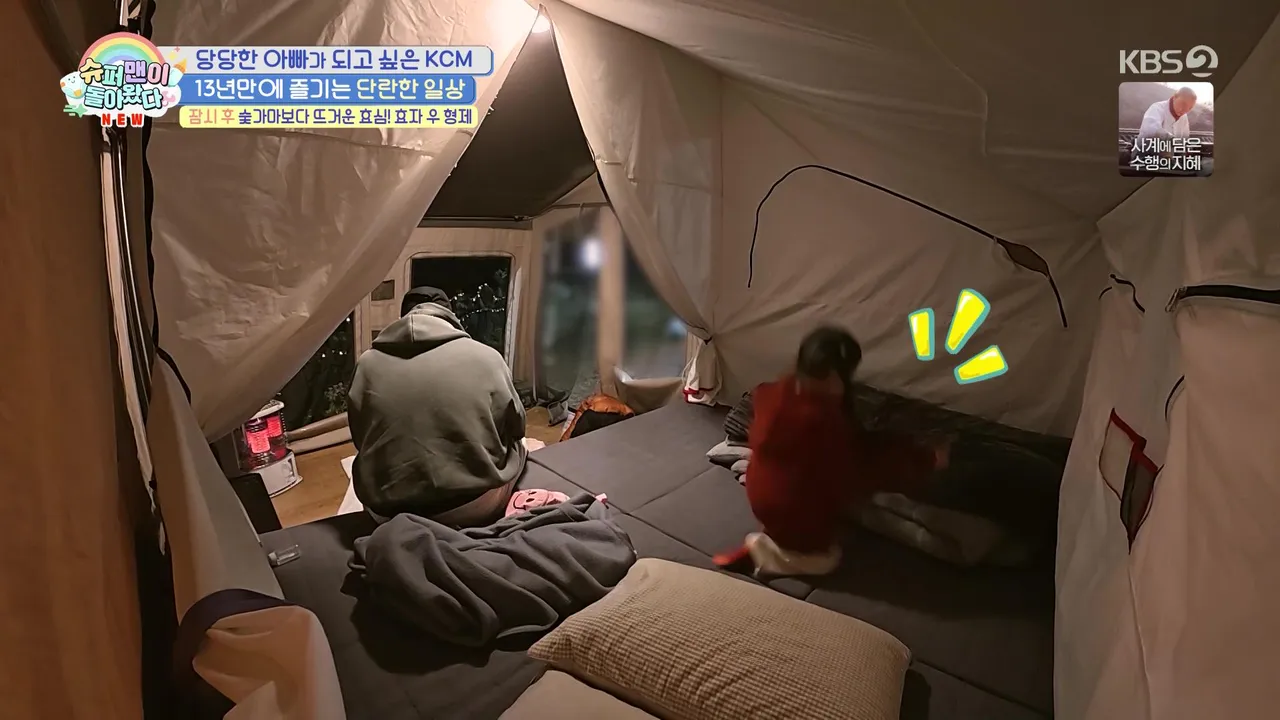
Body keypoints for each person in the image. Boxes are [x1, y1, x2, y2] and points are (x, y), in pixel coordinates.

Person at [713, 326, 949, 578]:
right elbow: (856, 469)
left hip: (760, 490)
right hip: (790, 507)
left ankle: (773, 538)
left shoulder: (773, 391)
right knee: (826, 560)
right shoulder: (819, 420)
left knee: (800, 494)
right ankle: (763, 554)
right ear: (833, 376)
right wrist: (925, 460)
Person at [347, 286, 527, 526]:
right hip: (474, 505)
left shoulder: (366, 364)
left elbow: (361, 438)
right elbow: (517, 427)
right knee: (519, 445)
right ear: (450, 316)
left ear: (403, 317)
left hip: (388, 513)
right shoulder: (487, 356)